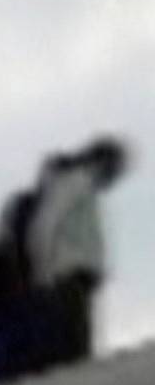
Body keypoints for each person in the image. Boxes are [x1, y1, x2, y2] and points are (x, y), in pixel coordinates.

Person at [25, 136, 132, 367]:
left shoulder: (84, 186)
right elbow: (44, 225)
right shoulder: (74, 182)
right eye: (117, 168)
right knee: (75, 341)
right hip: (68, 272)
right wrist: (42, 270)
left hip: (79, 274)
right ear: (103, 162)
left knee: (79, 336)